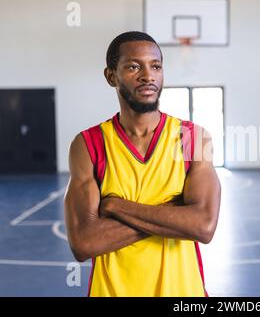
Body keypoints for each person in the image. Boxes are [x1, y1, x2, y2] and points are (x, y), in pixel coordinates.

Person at [64, 31, 221, 297]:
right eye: (134, 66)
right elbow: (83, 242)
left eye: (156, 66)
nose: (148, 75)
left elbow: (203, 226)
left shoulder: (192, 138)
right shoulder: (88, 144)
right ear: (110, 76)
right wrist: (175, 216)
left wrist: (116, 206)